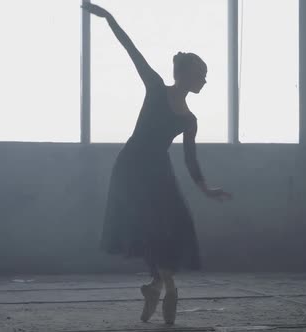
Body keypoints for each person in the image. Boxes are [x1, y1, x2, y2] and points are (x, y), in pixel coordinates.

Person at [82, 2, 232, 325]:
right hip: (132, 168)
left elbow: (190, 160)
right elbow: (130, 48)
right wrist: (108, 17)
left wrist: (206, 188)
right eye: (201, 75)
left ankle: (155, 286)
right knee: (151, 227)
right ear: (186, 75)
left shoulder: (190, 119)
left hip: (159, 171)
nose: (205, 81)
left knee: (175, 225)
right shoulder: (154, 87)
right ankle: (169, 288)